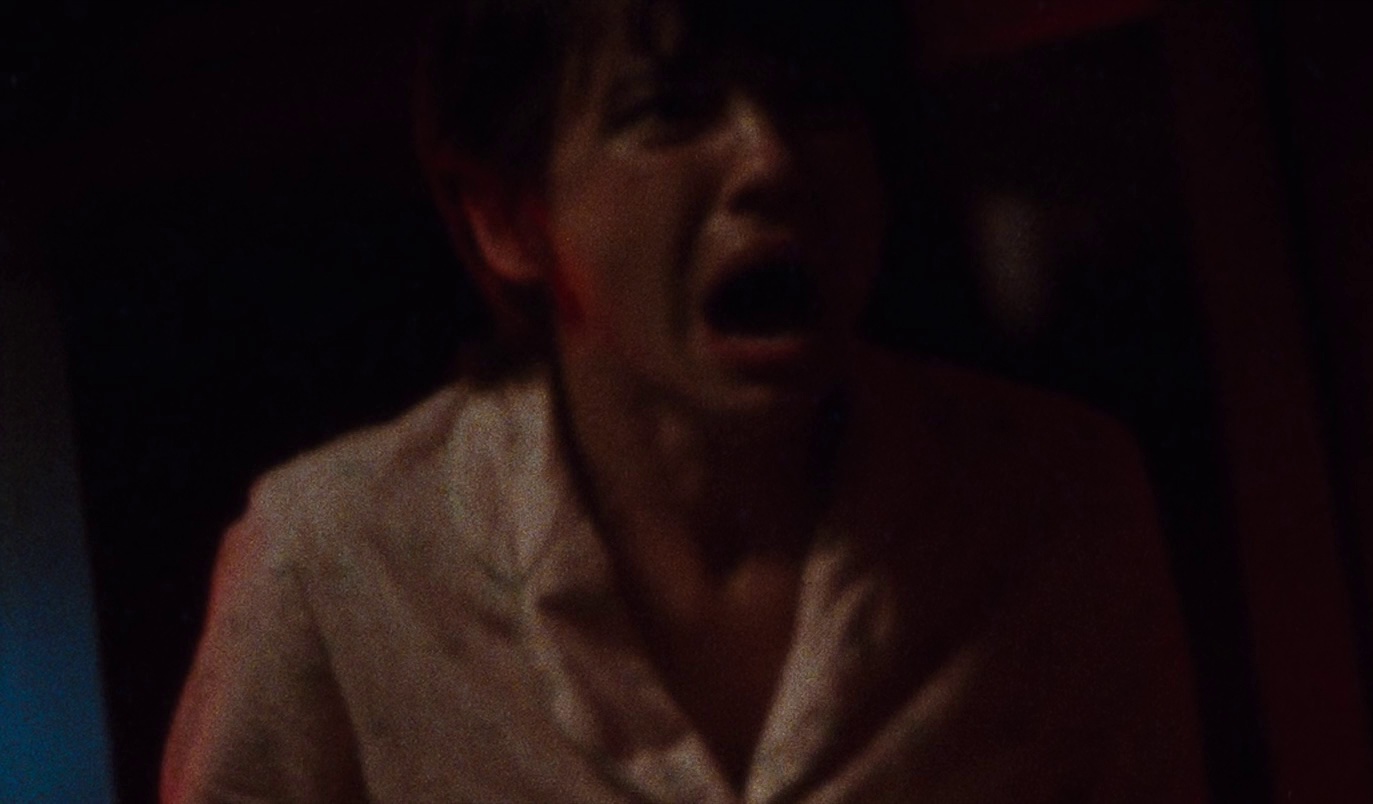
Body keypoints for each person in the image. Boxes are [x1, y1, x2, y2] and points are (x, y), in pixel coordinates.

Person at [161, 0, 1207, 800]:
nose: (770, 162)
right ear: (504, 215)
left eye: (815, 100)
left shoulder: (1056, 501)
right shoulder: (336, 562)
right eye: (669, 112)